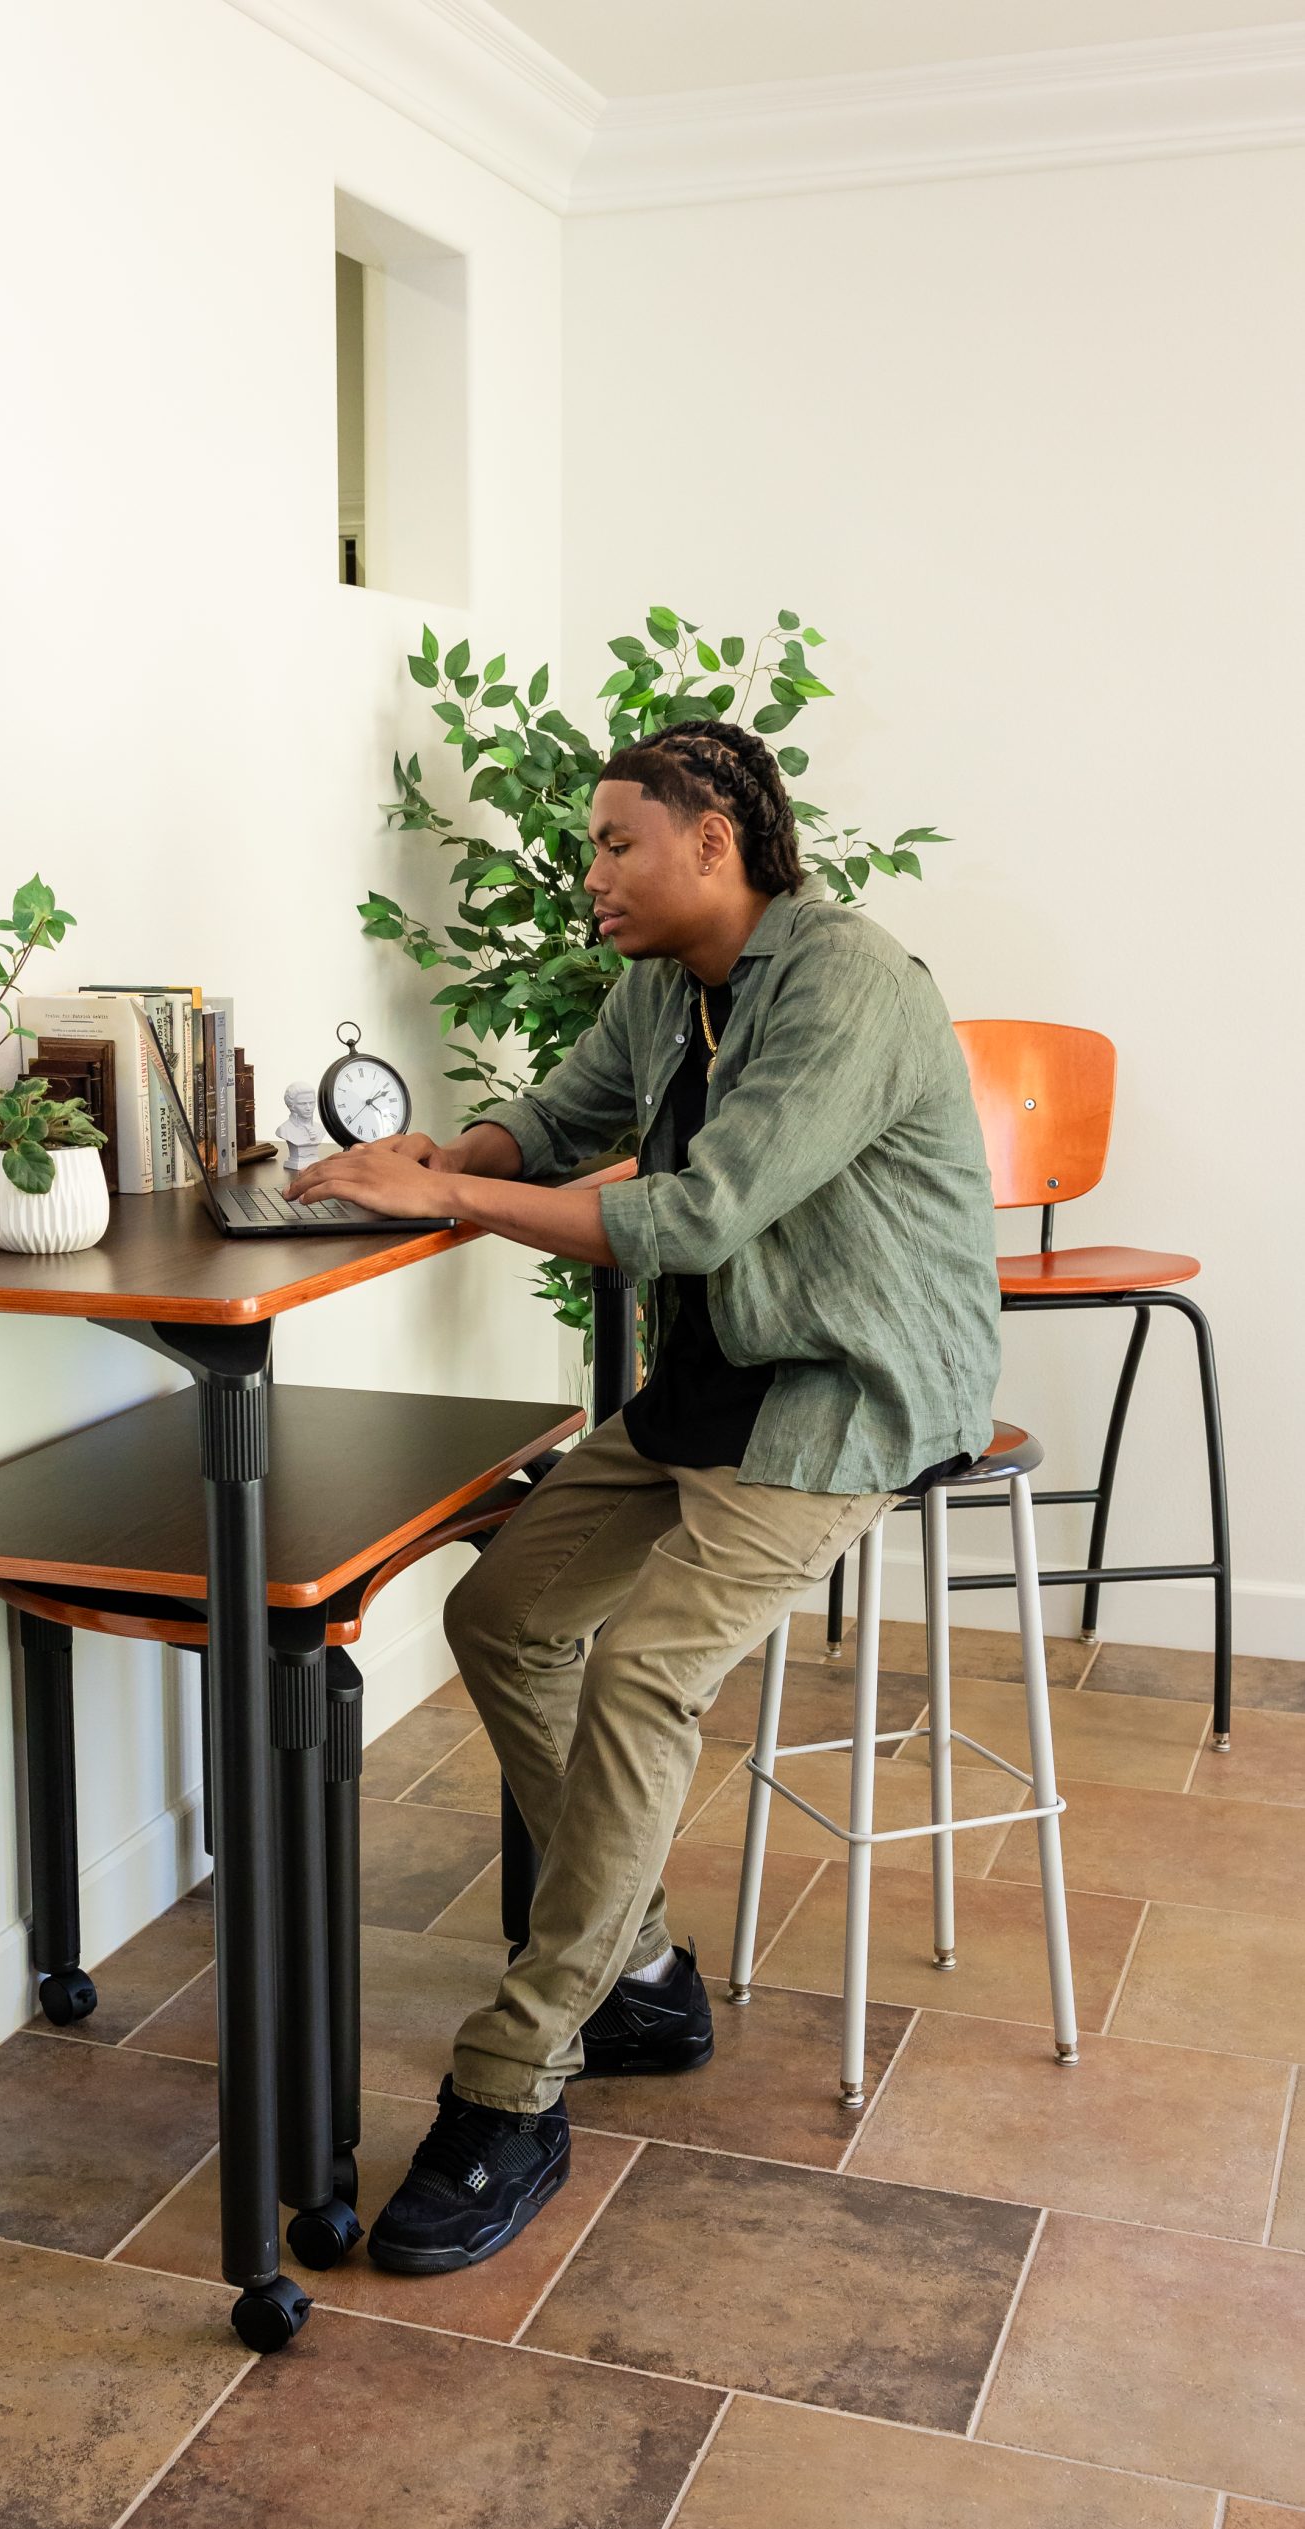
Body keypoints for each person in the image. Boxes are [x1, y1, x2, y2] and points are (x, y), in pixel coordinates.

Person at [285, 718, 1001, 2275]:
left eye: (618, 846)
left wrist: (448, 1197)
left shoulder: (848, 982)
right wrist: (447, 1149)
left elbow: (696, 1216)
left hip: (847, 1393)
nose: (593, 875)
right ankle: (647, 1973)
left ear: (714, 844)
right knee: (505, 1614)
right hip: (713, 1381)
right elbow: (555, 1124)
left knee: (640, 1676)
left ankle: (514, 2083)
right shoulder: (662, 986)